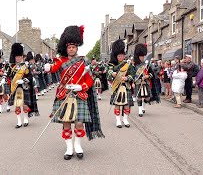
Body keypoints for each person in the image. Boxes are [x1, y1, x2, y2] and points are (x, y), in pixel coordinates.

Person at [44, 25, 104, 160]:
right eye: (69, 47)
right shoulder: (61, 61)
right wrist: (48, 67)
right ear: (66, 48)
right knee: (66, 122)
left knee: (78, 123)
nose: (71, 49)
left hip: (79, 94)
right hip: (64, 94)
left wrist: (80, 86)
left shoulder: (83, 62)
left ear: (77, 48)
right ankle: (69, 148)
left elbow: (89, 81)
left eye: (73, 47)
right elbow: (54, 68)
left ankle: (78, 146)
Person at [8, 43, 39, 128]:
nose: (17, 58)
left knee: (25, 105)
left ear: (22, 56)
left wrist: (23, 80)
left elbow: (30, 76)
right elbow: (9, 76)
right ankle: (19, 122)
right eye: (16, 56)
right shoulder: (12, 67)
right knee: (17, 106)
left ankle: (25, 119)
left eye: (19, 56)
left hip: (25, 88)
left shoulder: (26, 66)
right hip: (16, 89)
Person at [107, 39, 135, 128]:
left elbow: (133, 75)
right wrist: (112, 73)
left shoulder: (128, 65)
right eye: (119, 56)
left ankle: (125, 119)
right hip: (117, 86)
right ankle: (118, 120)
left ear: (124, 55)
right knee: (117, 104)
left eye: (122, 55)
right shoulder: (112, 64)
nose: (120, 57)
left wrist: (127, 78)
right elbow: (108, 73)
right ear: (116, 56)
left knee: (127, 105)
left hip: (126, 86)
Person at [133, 44, 160, 117]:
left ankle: (143, 107)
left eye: (143, 56)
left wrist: (148, 76)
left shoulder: (147, 64)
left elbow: (152, 73)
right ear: (138, 56)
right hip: (138, 83)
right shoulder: (134, 65)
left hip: (146, 83)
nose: (143, 57)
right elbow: (132, 75)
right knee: (139, 97)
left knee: (147, 97)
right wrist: (138, 79)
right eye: (141, 56)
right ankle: (139, 110)